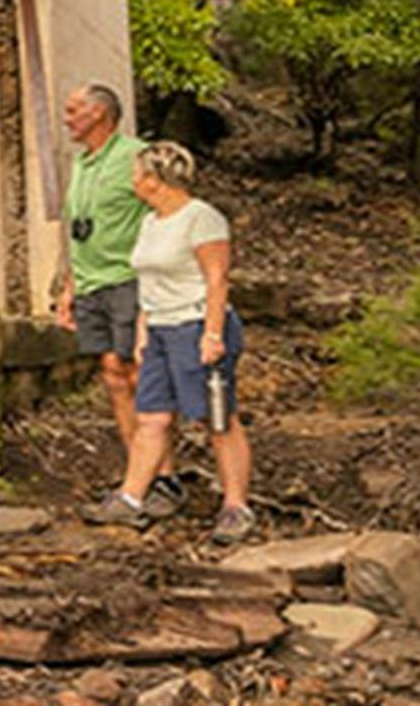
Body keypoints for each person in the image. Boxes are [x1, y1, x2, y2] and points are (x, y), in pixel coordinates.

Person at [82, 140, 256, 543]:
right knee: (152, 417)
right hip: (160, 328)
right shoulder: (150, 222)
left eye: (135, 176)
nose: (132, 183)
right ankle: (130, 498)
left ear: (153, 180)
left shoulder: (202, 218)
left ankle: (236, 506)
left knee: (215, 418)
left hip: (196, 325)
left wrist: (212, 335)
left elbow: (217, 278)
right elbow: (149, 280)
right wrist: (144, 330)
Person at [56, 84, 183, 516]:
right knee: (112, 373)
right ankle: (138, 475)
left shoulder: (137, 155)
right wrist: (70, 288)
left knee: (141, 374)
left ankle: (165, 479)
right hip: (92, 282)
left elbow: (169, 209)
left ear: (99, 113)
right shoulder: (81, 163)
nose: (67, 117)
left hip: (131, 278)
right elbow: (79, 229)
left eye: (74, 109)